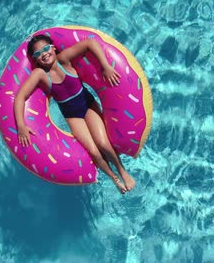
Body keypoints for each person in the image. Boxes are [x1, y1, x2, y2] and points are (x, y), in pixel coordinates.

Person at [14, 35, 136, 194]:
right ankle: (114, 179)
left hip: (88, 104)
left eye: (45, 48)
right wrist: (21, 126)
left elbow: (90, 43)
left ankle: (122, 171)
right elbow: (20, 97)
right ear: (35, 59)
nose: (43, 54)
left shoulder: (64, 59)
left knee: (103, 144)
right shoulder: (40, 74)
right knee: (93, 151)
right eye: (38, 54)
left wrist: (105, 65)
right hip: (73, 116)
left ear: (53, 47)